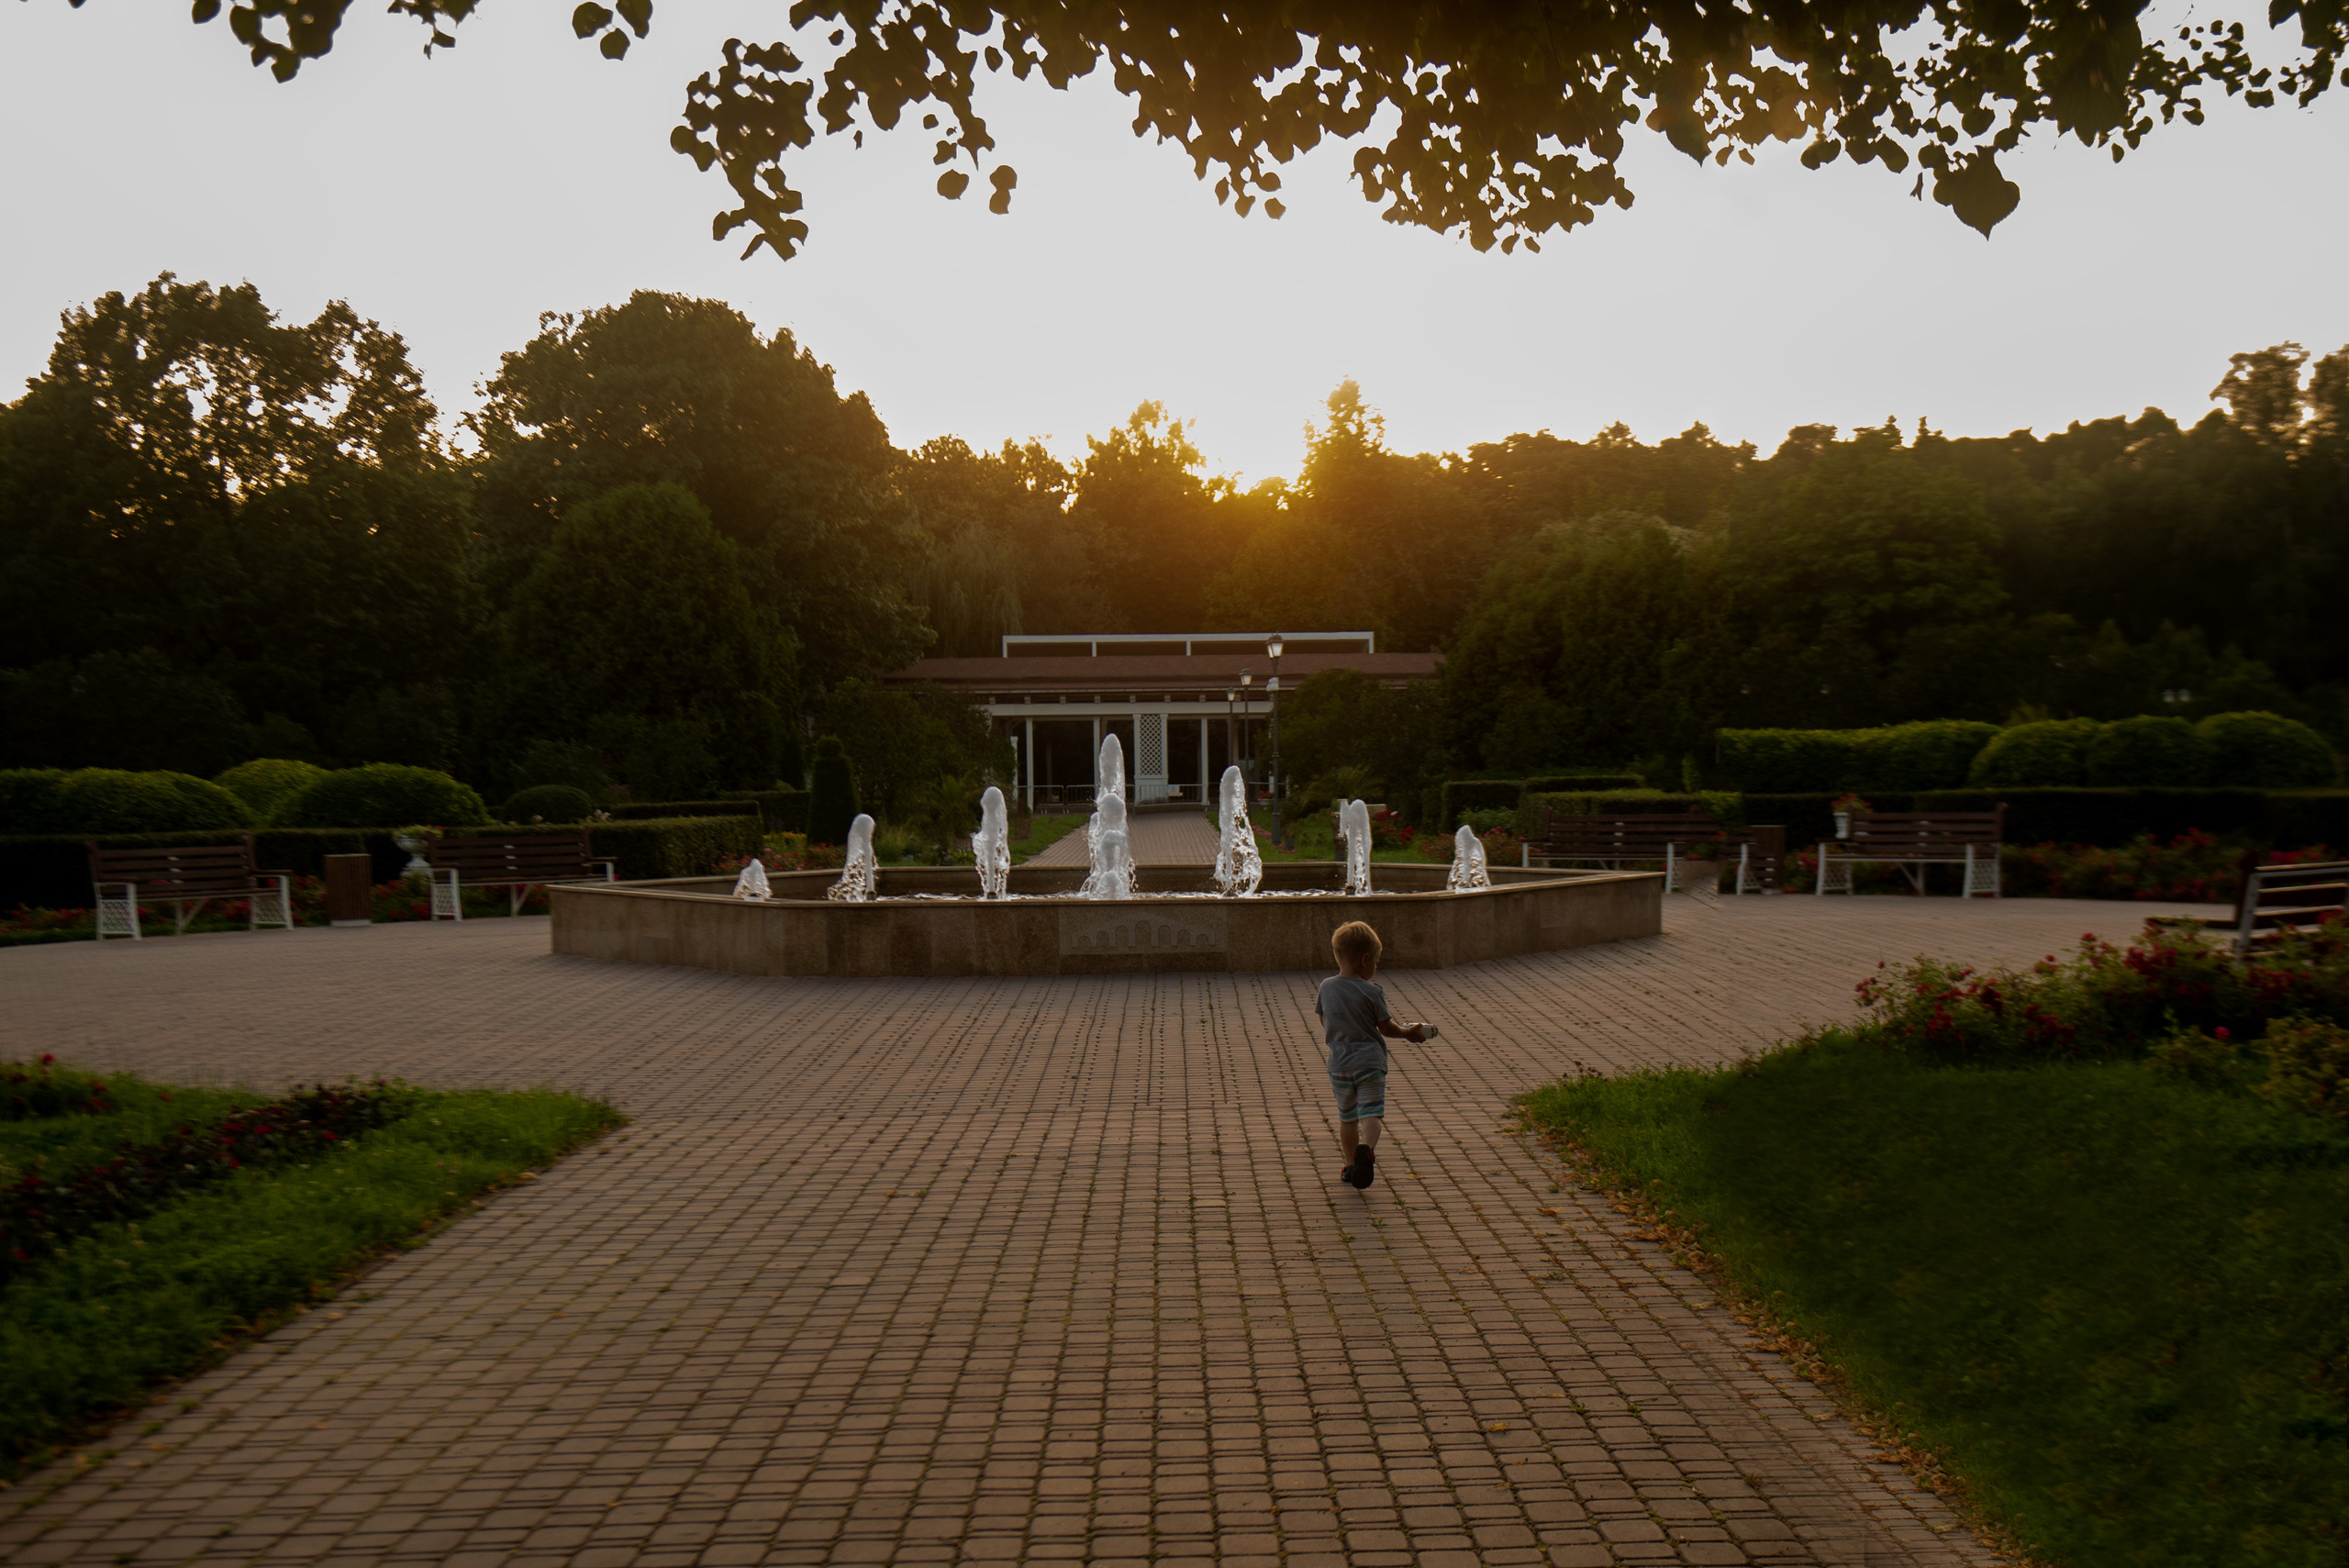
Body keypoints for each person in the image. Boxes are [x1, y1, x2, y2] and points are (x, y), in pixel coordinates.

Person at [1316, 920, 1435, 1191]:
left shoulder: (1326, 987)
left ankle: (1349, 1165)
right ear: (1365, 960)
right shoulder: (1372, 991)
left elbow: (1324, 1020)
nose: (1375, 967)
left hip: (1339, 1065)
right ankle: (1366, 1149)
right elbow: (1386, 1028)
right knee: (1371, 1114)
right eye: (1376, 962)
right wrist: (1408, 1032)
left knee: (1347, 1117)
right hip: (1370, 1064)